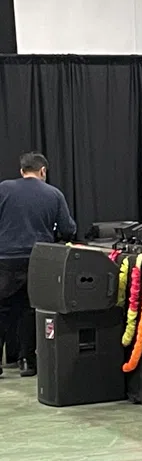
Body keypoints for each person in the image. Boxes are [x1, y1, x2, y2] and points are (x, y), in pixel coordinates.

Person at [0, 152, 76, 377]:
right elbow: (68, 229)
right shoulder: (53, 194)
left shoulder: (3, 188)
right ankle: (27, 361)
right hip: (38, 259)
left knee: (2, 310)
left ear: (22, 170)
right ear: (43, 171)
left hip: (5, 259)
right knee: (30, 310)